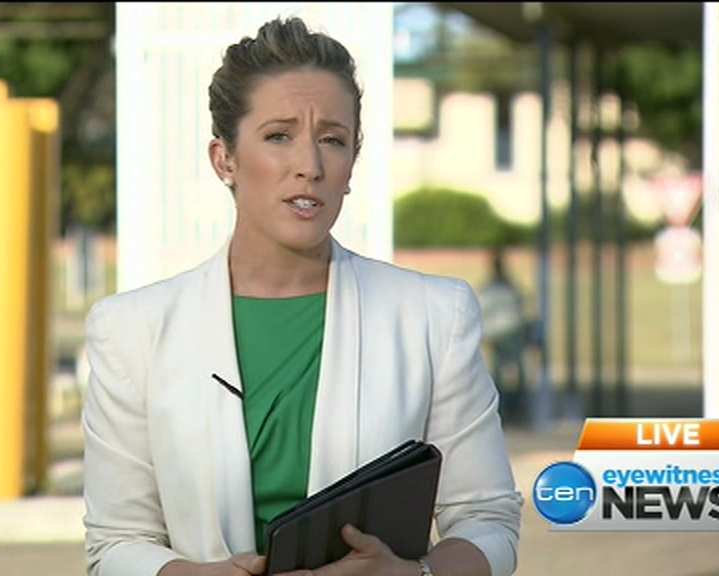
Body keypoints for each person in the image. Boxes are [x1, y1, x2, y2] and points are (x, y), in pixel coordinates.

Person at [82, 16, 523, 576]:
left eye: (332, 140)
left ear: (351, 164)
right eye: (279, 136)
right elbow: (116, 545)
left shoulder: (434, 318)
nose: (309, 167)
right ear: (224, 159)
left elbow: (488, 521)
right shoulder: (131, 331)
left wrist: (414, 575)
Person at [476, 249, 528, 420]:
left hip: (497, 333)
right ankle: (518, 404)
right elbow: (520, 304)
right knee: (516, 368)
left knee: (499, 370)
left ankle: (504, 406)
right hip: (511, 330)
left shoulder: (489, 288)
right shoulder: (509, 287)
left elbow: (482, 308)